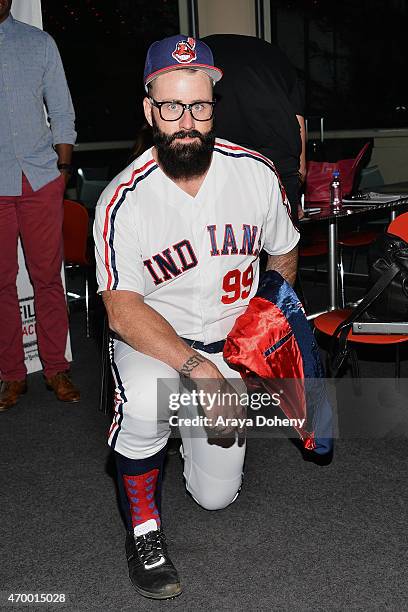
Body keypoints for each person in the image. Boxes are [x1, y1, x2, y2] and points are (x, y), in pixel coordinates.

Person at [94, 34, 299, 600]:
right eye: (172, 106)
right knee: (142, 402)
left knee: (216, 498)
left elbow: (284, 251)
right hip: (157, 344)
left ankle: (194, 425)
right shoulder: (123, 199)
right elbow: (121, 307)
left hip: (229, 344)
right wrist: (197, 371)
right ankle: (144, 529)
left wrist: (264, 327)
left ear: (214, 107)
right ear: (149, 111)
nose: (187, 121)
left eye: (200, 106)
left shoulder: (255, 173)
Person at [0, 0, 80, 411]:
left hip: (41, 179)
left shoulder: (39, 43)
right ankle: (12, 375)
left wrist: (63, 169)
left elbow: (62, 109)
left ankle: (56, 368)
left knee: (48, 277)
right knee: (1, 283)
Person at [202, 34, 306, 223]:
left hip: (216, 166)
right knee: (281, 246)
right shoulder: (278, 59)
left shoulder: (201, 56)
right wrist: (291, 195)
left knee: (222, 245)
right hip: (278, 164)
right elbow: (299, 137)